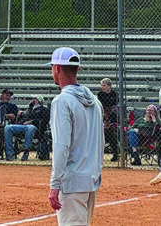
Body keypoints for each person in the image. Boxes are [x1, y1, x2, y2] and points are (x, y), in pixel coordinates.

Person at [46, 47, 104, 226]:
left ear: (56, 68)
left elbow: (61, 145)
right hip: (91, 179)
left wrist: (55, 184)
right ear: (77, 69)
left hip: (71, 182)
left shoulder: (62, 101)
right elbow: (100, 142)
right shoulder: (95, 100)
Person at [5, 94, 39, 161]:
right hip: (22, 126)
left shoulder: (43, 109)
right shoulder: (29, 110)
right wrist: (21, 114)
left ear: (38, 101)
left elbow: (42, 120)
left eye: (34, 99)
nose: (32, 100)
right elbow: (23, 117)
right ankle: (10, 154)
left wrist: (30, 122)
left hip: (33, 127)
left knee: (30, 128)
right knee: (7, 127)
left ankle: (26, 151)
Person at [97, 78, 120, 162]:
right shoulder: (100, 94)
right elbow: (101, 105)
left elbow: (114, 105)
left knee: (111, 134)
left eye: (104, 85)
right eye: (102, 85)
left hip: (112, 116)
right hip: (102, 115)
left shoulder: (114, 94)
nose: (102, 87)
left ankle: (116, 153)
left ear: (109, 86)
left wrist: (108, 117)